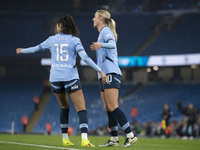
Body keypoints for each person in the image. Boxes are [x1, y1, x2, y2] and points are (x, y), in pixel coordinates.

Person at [16, 15, 106, 147]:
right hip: (70, 78)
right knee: (81, 109)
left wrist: (21, 50)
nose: (56, 26)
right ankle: (84, 139)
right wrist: (99, 70)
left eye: (58, 24)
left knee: (64, 108)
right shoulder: (75, 40)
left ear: (62, 26)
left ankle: (65, 139)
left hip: (55, 79)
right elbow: (85, 58)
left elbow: (36, 49)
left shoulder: (51, 39)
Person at [90, 9, 137, 147]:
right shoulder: (101, 33)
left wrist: (101, 45)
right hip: (104, 74)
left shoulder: (106, 32)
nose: (93, 19)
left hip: (111, 72)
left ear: (101, 19)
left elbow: (112, 44)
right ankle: (114, 139)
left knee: (113, 106)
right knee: (108, 108)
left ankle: (130, 135)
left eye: (95, 17)